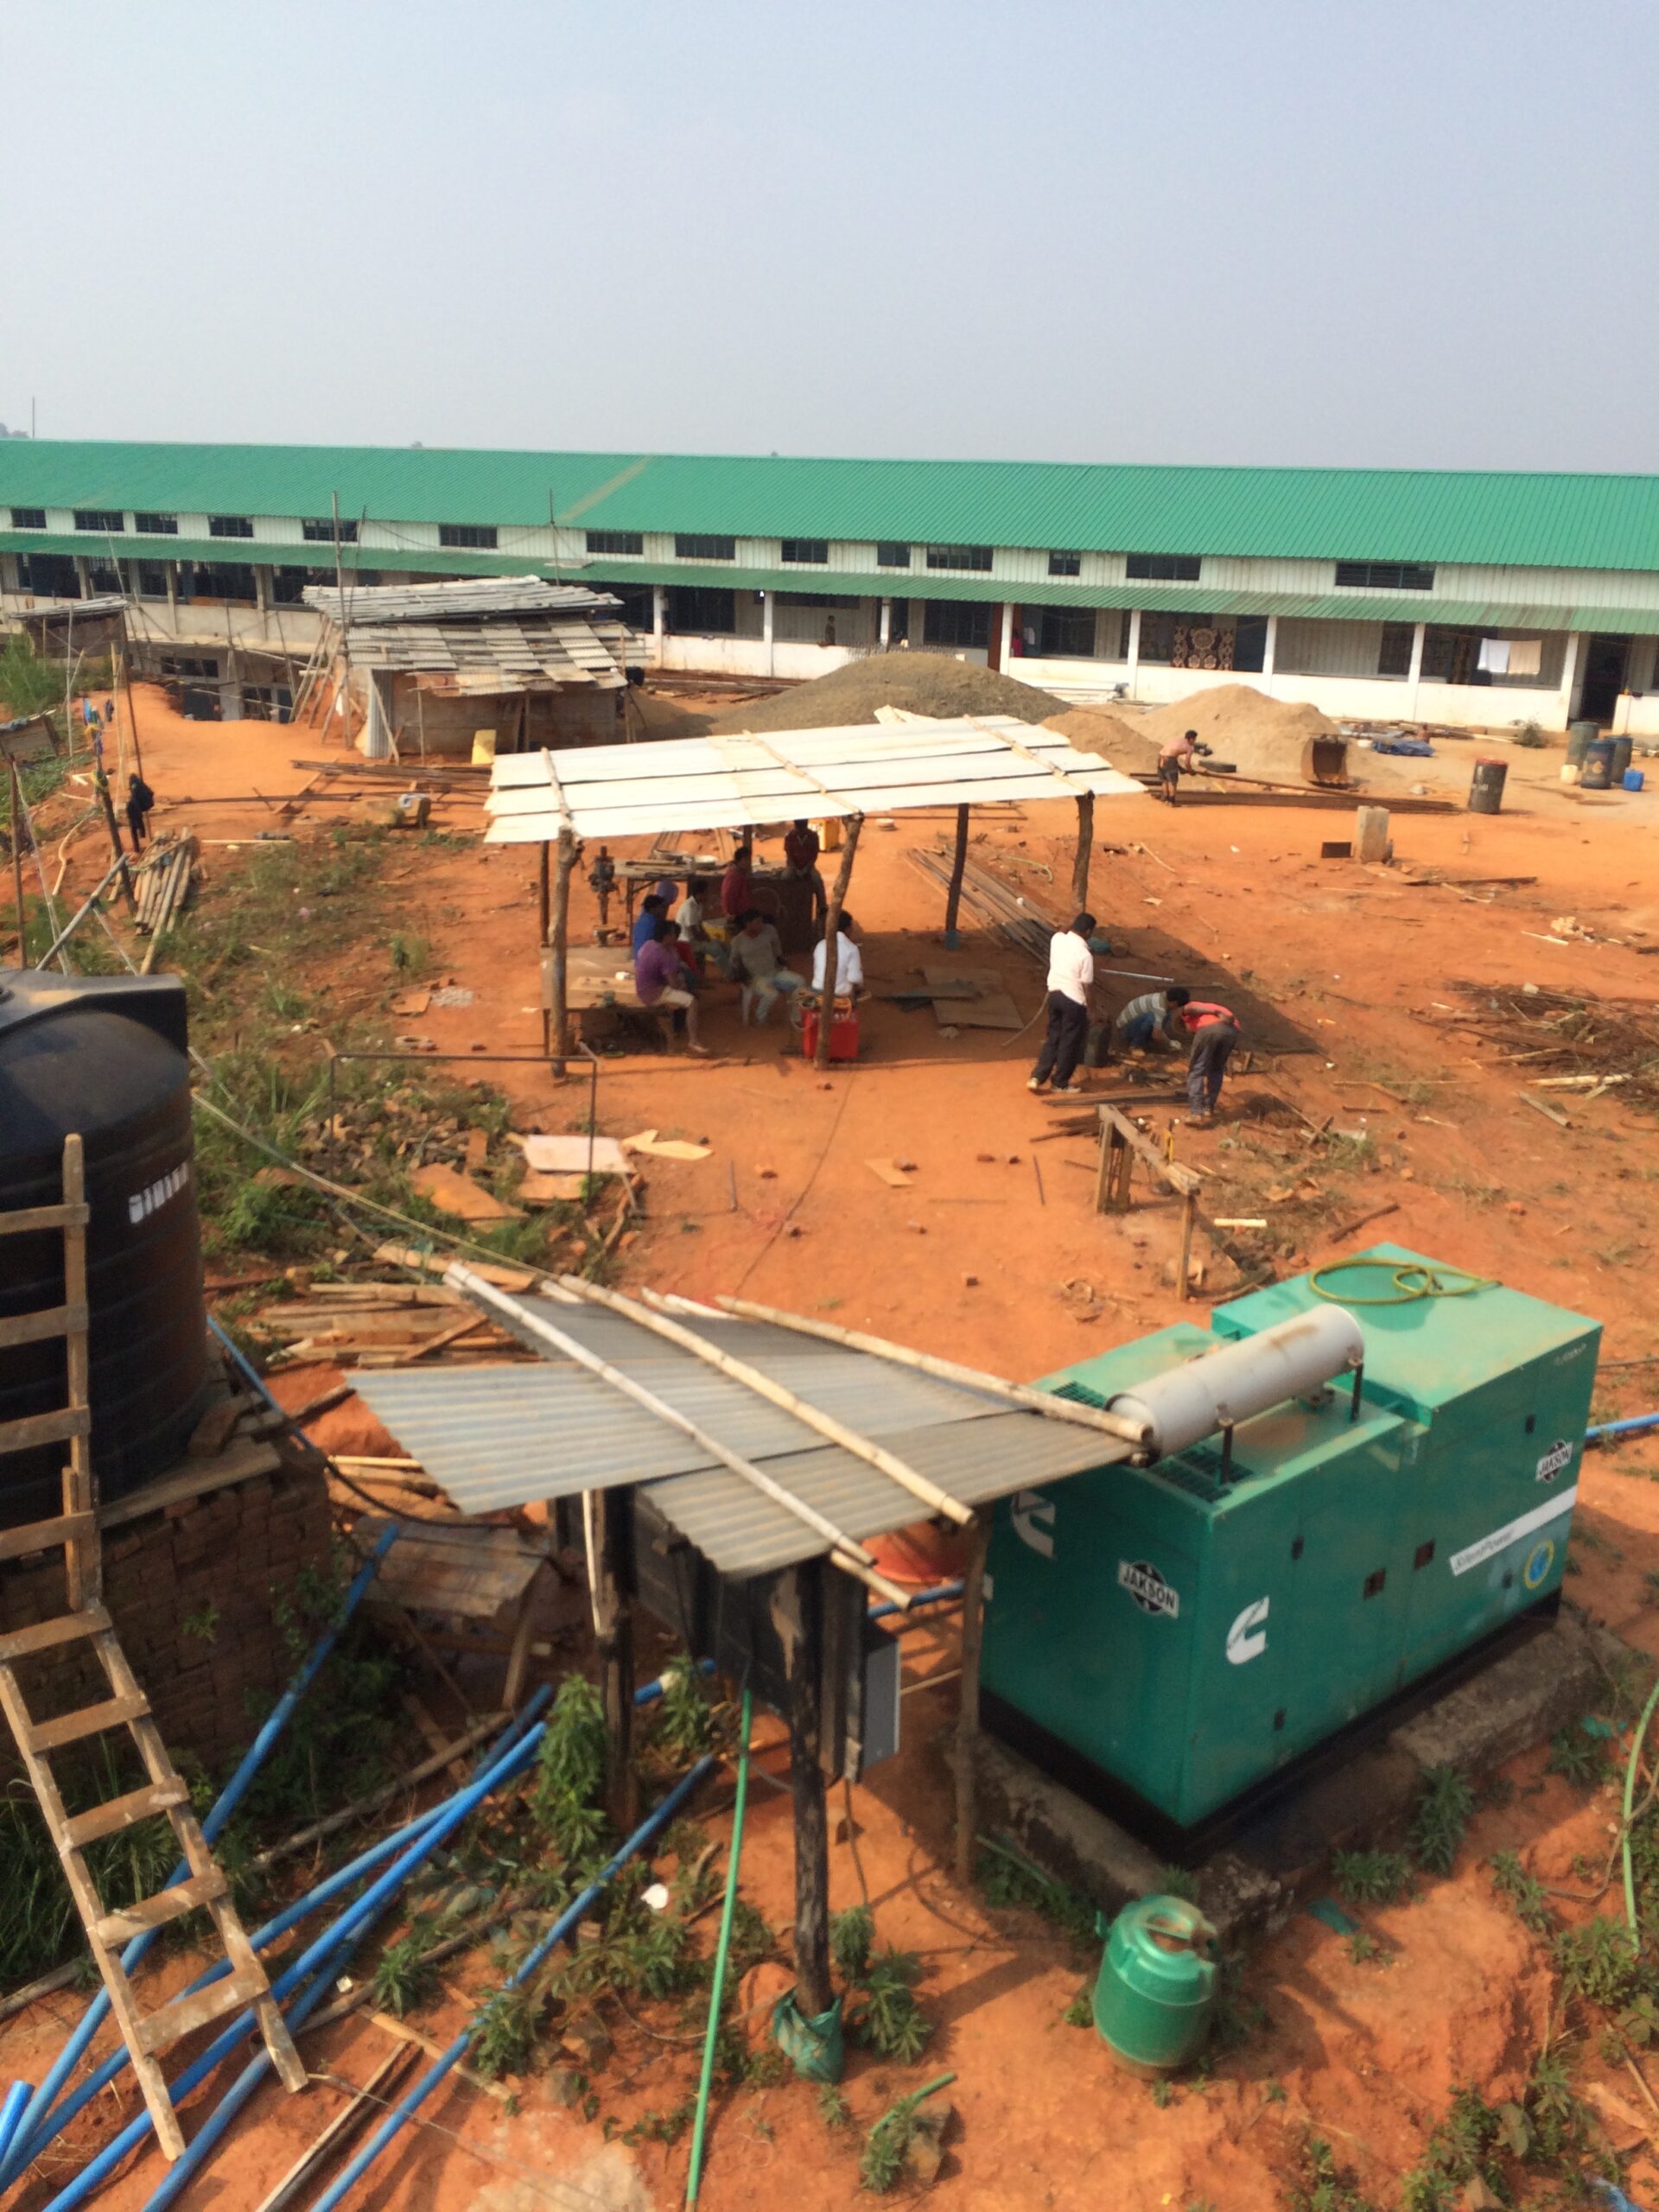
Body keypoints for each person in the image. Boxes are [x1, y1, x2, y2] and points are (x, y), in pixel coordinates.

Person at [1028, 912, 1096, 1096]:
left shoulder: (1057, 940)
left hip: (1055, 995)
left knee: (1053, 1037)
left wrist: (1072, 922)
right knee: (1069, 1042)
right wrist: (1092, 1010)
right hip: (1074, 1001)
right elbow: (1087, 987)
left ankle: (1037, 1076)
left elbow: (1062, 930)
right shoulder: (1085, 955)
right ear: (1089, 932)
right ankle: (1060, 1082)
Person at [635, 918, 709, 1055]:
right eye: (674, 934)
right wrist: (682, 986)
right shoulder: (664, 954)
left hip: (644, 990)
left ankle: (672, 1046)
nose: (677, 936)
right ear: (667, 936)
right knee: (693, 1002)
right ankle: (693, 1041)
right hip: (656, 993)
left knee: (672, 1005)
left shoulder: (648, 945)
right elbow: (673, 984)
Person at [727, 907, 804, 1024]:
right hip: (757, 979)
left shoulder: (769, 930)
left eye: (761, 921)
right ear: (748, 924)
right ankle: (761, 1018)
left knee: (800, 981)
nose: (761, 925)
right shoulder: (738, 941)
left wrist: (783, 963)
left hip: (775, 973)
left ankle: (796, 1016)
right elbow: (735, 962)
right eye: (757, 922)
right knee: (772, 994)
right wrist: (744, 978)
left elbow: (777, 951)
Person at [1176, 995, 1241, 1123]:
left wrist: (1216, 1013)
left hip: (1210, 1029)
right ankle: (1208, 1108)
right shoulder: (1213, 1006)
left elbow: (1191, 1009)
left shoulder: (1189, 1008)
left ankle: (1196, 1112)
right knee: (1216, 1069)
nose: (1190, 1033)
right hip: (1232, 1032)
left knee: (1196, 1070)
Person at [1114, 984, 1190, 1054]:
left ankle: (1147, 1041)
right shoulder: (1159, 1007)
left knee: (1166, 1015)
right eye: (1177, 1006)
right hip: (1125, 1030)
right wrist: (1169, 1042)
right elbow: (1156, 1035)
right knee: (1150, 1017)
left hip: (1134, 1024)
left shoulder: (1162, 998)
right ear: (1174, 1002)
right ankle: (1135, 1045)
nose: (1176, 1008)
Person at [810, 909, 863, 999]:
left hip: (817, 988)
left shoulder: (820, 945)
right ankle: (851, 1004)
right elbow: (855, 978)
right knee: (855, 984)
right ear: (847, 929)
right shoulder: (851, 948)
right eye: (851, 927)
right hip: (838, 992)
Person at [783, 818, 826, 924]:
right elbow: (789, 856)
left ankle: (822, 907)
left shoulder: (813, 836)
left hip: (809, 867)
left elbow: (814, 856)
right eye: (799, 827)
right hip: (793, 867)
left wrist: (806, 869)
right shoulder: (790, 837)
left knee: (818, 881)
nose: (801, 830)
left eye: (802, 827)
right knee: (784, 878)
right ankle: (782, 904)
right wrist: (795, 869)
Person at [1158, 728, 1198, 804]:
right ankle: (1171, 801)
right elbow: (1187, 763)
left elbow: (1173, 755)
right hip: (1169, 759)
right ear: (1191, 739)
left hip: (1161, 757)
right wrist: (1191, 771)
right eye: (1195, 739)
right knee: (1173, 782)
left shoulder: (1178, 740)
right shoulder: (1190, 747)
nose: (1195, 741)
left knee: (1165, 780)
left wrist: (1179, 768)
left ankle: (1166, 799)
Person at [721, 842, 753, 924]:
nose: (748, 862)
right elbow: (728, 895)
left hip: (743, 914)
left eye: (749, 859)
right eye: (746, 859)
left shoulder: (740, 874)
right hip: (737, 916)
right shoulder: (734, 876)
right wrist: (730, 914)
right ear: (739, 860)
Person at [125, 772, 156, 851]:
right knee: (138, 824)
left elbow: (135, 800)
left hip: (138, 808)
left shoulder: (134, 789)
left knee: (134, 827)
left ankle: (137, 846)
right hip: (146, 804)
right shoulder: (141, 783)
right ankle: (141, 836)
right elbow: (151, 792)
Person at [630, 893, 667, 958]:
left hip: (639, 958)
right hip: (648, 958)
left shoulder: (641, 919)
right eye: (660, 907)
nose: (663, 910)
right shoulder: (654, 923)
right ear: (652, 909)